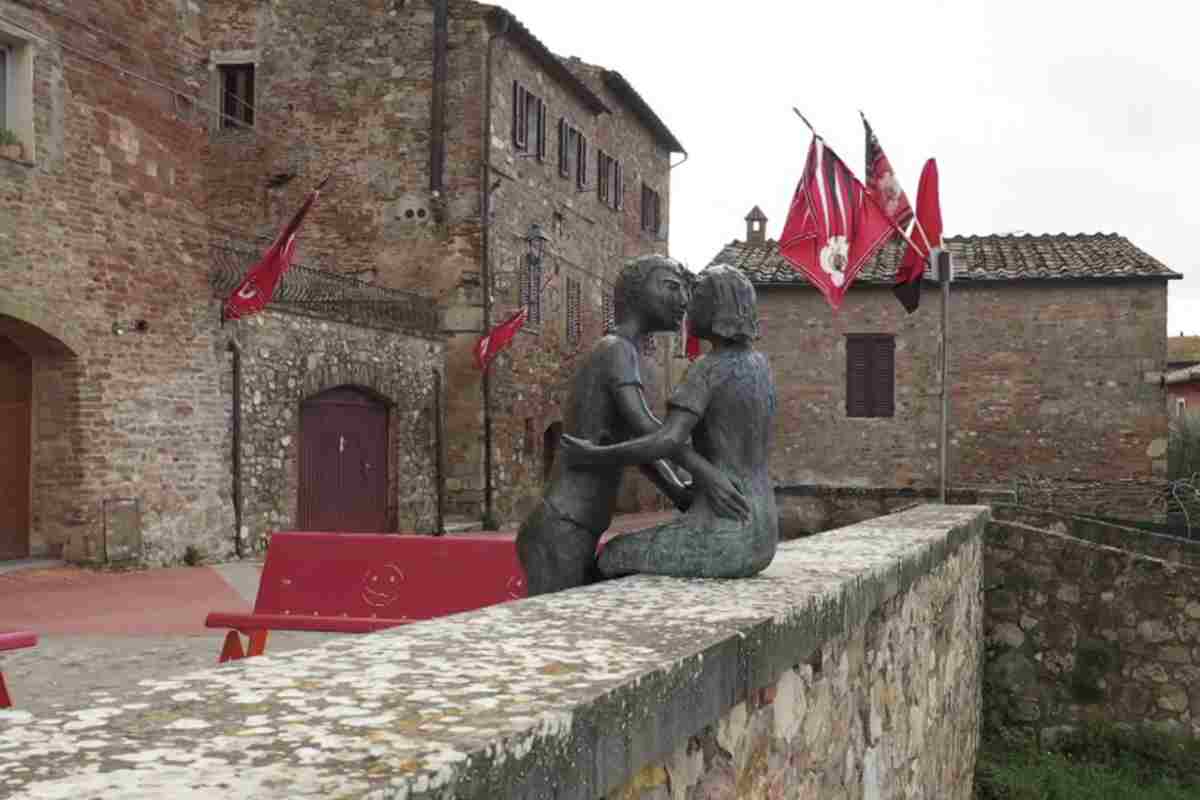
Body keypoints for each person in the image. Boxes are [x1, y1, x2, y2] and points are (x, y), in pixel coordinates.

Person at [515, 255, 749, 595]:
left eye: (684, 289)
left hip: (575, 522)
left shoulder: (628, 353)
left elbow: (641, 444)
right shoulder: (615, 350)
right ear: (637, 294)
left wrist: (676, 491)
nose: (683, 299)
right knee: (552, 635)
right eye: (670, 287)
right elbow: (648, 426)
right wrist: (706, 475)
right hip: (563, 522)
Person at [561, 264, 777, 579]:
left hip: (727, 531)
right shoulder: (760, 366)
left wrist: (594, 456)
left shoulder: (708, 368)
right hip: (764, 531)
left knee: (612, 556)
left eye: (697, 296)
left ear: (717, 307)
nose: (688, 305)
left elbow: (667, 439)